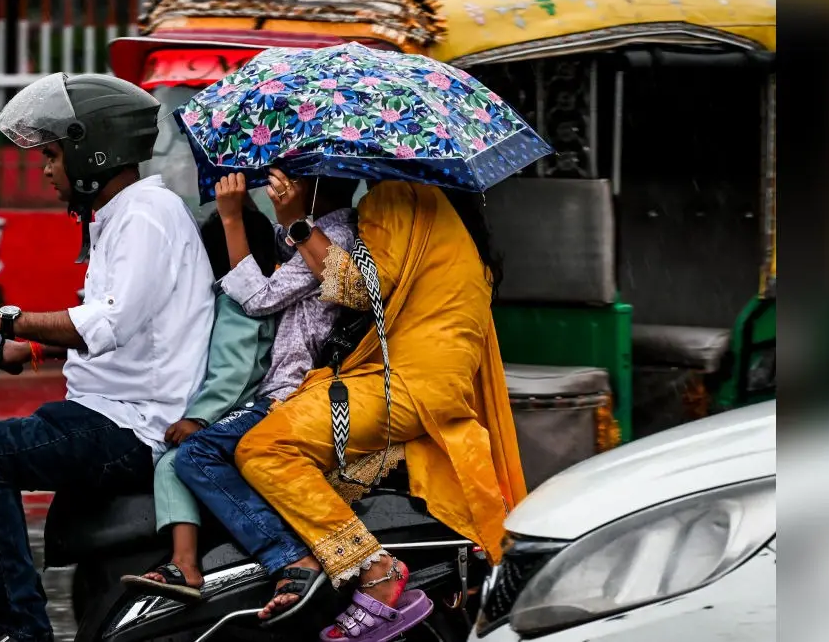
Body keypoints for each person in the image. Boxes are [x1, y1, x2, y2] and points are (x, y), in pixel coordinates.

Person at [0, 73, 215, 642]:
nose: (45, 169)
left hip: (133, 425)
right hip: (106, 408)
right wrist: (25, 347)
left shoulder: (144, 216)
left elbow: (104, 324)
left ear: (95, 149)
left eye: (54, 155)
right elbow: (118, 321)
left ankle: (21, 628)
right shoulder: (121, 215)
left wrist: (2, 319)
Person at [235, 176, 529, 641]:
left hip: (406, 387)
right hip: (429, 386)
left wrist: (295, 223)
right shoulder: (448, 209)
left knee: (262, 448)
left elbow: (360, 289)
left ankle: (373, 566)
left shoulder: (394, 196)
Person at [171, 169, 360, 611]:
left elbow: (256, 297)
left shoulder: (334, 236)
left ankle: (291, 555)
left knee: (195, 454)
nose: (276, 179)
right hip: (279, 386)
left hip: (289, 392)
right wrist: (248, 209)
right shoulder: (318, 229)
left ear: (312, 182)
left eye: (285, 173)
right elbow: (271, 251)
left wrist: (232, 217)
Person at [119, 205, 279, 600]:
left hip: (243, 411)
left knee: (175, 463)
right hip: (245, 408)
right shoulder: (241, 295)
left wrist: (199, 419)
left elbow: (234, 371)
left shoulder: (237, 300)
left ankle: (185, 563)